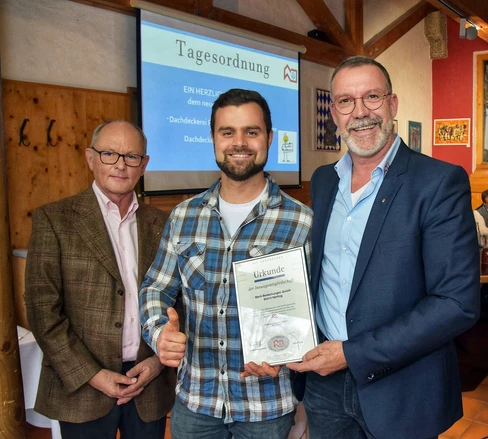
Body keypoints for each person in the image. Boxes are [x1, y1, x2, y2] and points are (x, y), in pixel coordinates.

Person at [287, 56, 480, 439]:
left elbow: (456, 304)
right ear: (335, 113)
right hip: (325, 386)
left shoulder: (438, 182)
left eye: (371, 97)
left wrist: (352, 354)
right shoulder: (324, 181)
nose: (360, 112)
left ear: (392, 105)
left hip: (402, 389)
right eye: (345, 101)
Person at [139, 88, 313, 439]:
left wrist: (293, 353)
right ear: (213, 139)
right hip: (196, 403)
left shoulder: (302, 221)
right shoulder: (184, 216)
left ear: (269, 138)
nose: (239, 143)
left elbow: (319, 310)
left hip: (267, 405)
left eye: (251, 131)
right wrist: (160, 332)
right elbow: (155, 287)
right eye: (227, 132)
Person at [25, 120, 176, 439]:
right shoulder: (54, 220)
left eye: (132, 156)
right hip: (83, 387)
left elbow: (181, 301)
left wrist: (157, 363)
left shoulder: (164, 224)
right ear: (90, 157)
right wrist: (92, 375)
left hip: (148, 383)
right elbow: (43, 312)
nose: (120, 165)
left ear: (144, 164)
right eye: (109, 153)